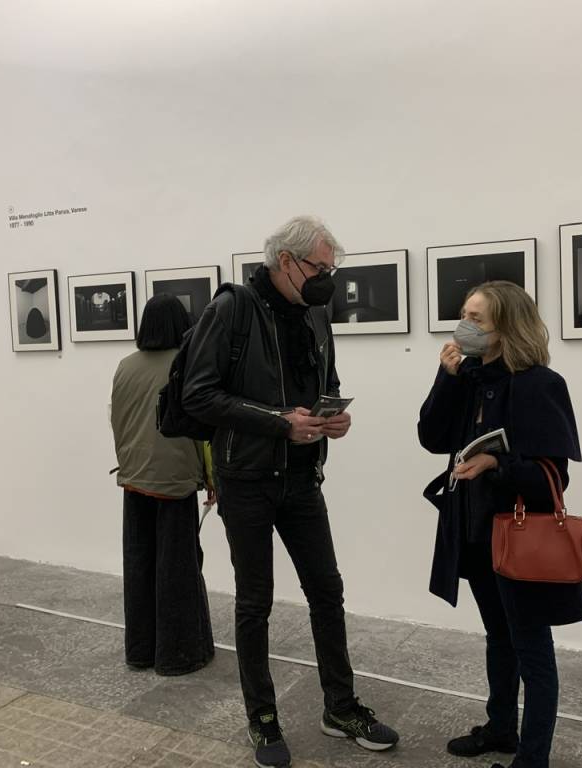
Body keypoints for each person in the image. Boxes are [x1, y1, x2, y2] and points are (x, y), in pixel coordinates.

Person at [183, 216, 399, 768]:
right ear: (286, 262)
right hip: (246, 481)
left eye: (331, 270)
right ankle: (262, 717)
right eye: (320, 268)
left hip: (302, 478)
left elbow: (323, 384)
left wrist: (331, 416)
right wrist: (282, 423)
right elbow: (199, 396)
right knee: (255, 603)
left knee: (327, 591)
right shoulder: (231, 308)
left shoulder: (316, 314)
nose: (327, 279)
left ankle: (340, 707)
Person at [417, 281, 582, 768]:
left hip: (517, 535)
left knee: (533, 651)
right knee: (498, 635)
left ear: (506, 328)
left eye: (478, 319)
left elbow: (554, 475)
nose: (465, 326)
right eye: (464, 313)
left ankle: (532, 760)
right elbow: (431, 437)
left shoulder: (539, 385)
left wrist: (497, 466)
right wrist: (445, 378)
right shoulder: (468, 376)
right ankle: (500, 728)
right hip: (473, 531)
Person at [110, 294, 216, 675]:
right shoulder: (184, 366)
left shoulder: (124, 366)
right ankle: (178, 655)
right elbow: (202, 432)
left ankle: (140, 651)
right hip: (174, 480)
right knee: (178, 567)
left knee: (139, 565)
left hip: (133, 477)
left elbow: (118, 421)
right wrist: (211, 478)